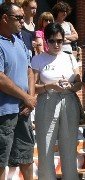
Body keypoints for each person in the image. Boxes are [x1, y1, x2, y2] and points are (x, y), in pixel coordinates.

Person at [31, 22, 82, 180]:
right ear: (46, 41)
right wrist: (49, 86)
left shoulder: (70, 58)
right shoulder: (38, 60)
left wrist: (72, 86)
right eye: (52, 40)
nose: (56, 44)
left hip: (69, 100)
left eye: (59, 40)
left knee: (69, 148)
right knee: (45, 147)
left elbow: (79, 82)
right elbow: (32, 87)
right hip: (47, 101)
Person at [0, 2, 37, 180]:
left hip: (23, 110)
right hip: (4, 112)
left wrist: (29, 99)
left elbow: (29, 71)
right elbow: (0, 78)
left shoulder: (19, 40)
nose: (23, 22)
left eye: (23, 18)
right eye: (19, 18)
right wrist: (26, 98)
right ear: (5, 18)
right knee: (1, 159)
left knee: (26, 156)